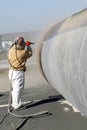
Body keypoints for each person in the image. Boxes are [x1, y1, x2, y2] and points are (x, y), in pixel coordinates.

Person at [8, 36, 32, 110]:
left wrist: (22, 42)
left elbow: (16, 44)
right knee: (18, 89)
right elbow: (29, 54)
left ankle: (14, 103)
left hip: (11, 72)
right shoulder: (22, 52)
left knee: (14, 89)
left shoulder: (11, 49)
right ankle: (17, 106)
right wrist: (28, 46)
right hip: (18, 73)